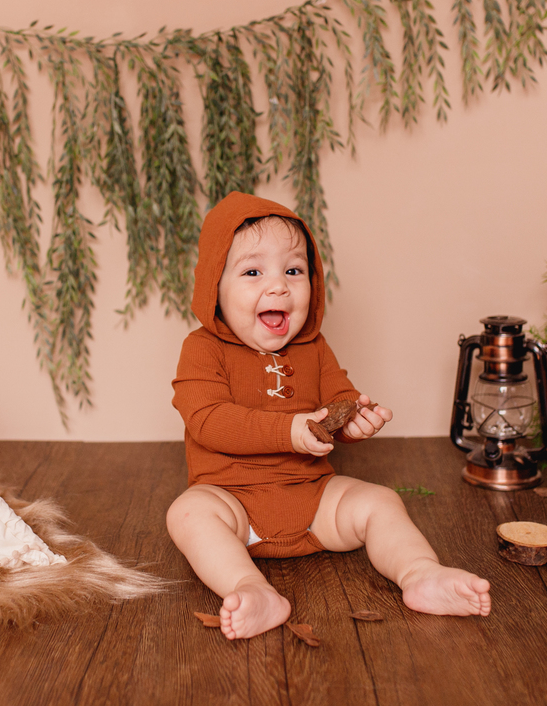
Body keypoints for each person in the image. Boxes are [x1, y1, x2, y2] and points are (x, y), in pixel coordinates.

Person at [167, 192, 491, 640]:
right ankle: (250, 588)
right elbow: (208, 419)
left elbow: (338, 396)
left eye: (293, 270)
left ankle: (420, 573)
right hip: (234, 505)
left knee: (380, 501)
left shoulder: (313, 347)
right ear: (214, 288)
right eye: (253, 272)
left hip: (314, 501)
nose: (279, 287)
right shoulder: (202, 349)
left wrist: (356, 417)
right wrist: (289, 430)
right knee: (188, 514)